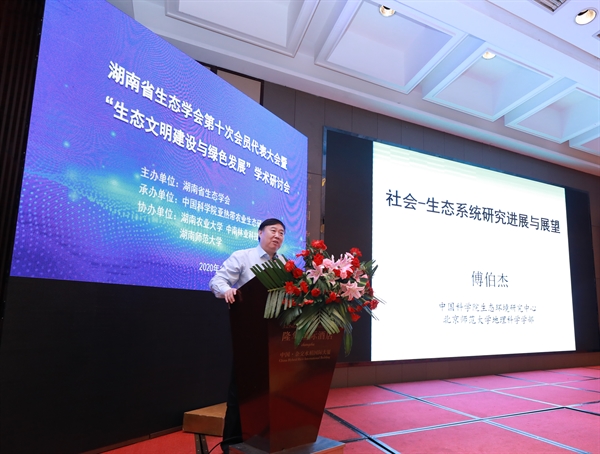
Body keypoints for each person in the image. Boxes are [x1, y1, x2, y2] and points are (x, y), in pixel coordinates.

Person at [209, 218, 286, 453]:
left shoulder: (284, 263)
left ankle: (264, 438)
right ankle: (231, 444)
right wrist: (227, 290)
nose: (277, 236)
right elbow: (217, 281)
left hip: (275, 337)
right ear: (260, 233)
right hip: (249, 336)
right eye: (273, 231)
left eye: (282, 233)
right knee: (241, 392)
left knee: (270, 392)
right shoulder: (243, 257)